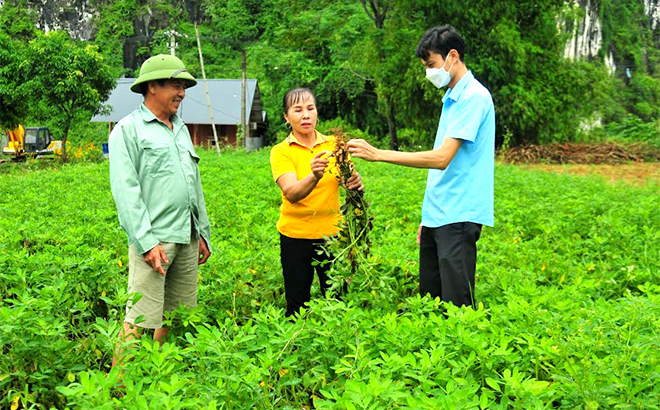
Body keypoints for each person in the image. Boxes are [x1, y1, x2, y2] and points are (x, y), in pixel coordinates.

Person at [347, 25, 494, 309]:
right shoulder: (452, 99)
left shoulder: (474, 97)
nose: (429, 73)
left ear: (453, 56)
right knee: (430, 301)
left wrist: (379, 154)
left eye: (431, 65)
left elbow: (441, 158)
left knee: (456, 305)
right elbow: (443, 170)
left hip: (459, 214)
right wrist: (428, 218)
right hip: (440, 215)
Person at [109, 54, 212, 366]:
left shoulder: (180, 129)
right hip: (154, 241)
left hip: (187, 236)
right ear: (152, 86)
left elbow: (194, 186)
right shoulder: (128, 130)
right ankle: (117, 388)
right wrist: (146, 241)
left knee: (175, 316)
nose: (181, 93)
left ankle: (160, 374)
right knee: (139, 319)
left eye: (183, 87)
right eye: (175, 85)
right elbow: (126, 192)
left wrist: (203, 233)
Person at [270, 88, 363, 317]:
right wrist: (314, 176)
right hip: (295, 237)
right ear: (286, 117)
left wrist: (354, 183)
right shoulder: (281, 151)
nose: (305, 115)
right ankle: (297, 344)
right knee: (297, 304)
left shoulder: (334, 145)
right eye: (298, 110)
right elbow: (291, 193)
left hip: (332, 237)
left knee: (337, 301)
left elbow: (346, 180)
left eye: (310, 109)